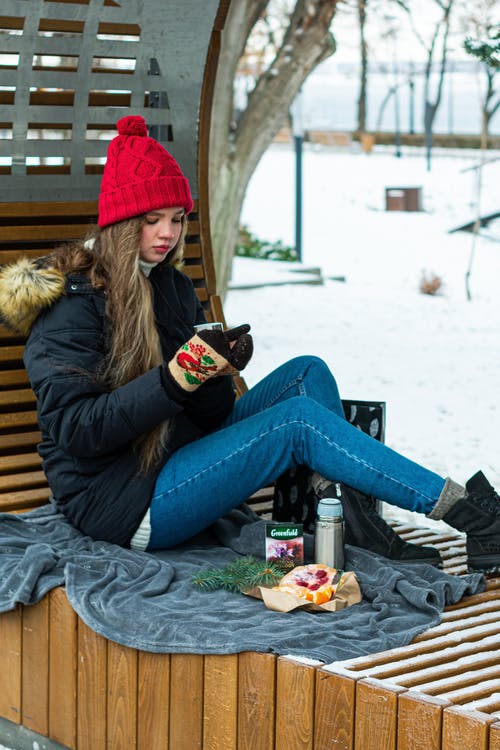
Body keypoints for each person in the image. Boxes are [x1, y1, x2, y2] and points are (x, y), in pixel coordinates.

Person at [0, 115, 498, 574]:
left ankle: (350, 523)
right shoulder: (72, 304)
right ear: (121, 222)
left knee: (307, 372)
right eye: (152, 219)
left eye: (177, 218)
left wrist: (216, 372)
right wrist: (175, 379)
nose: (168, 234)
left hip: (181, 456)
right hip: (122, 503)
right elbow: (75, 430)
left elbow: (210, 416)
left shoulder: (168, 287)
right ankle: (470, 514)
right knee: (296, 423)